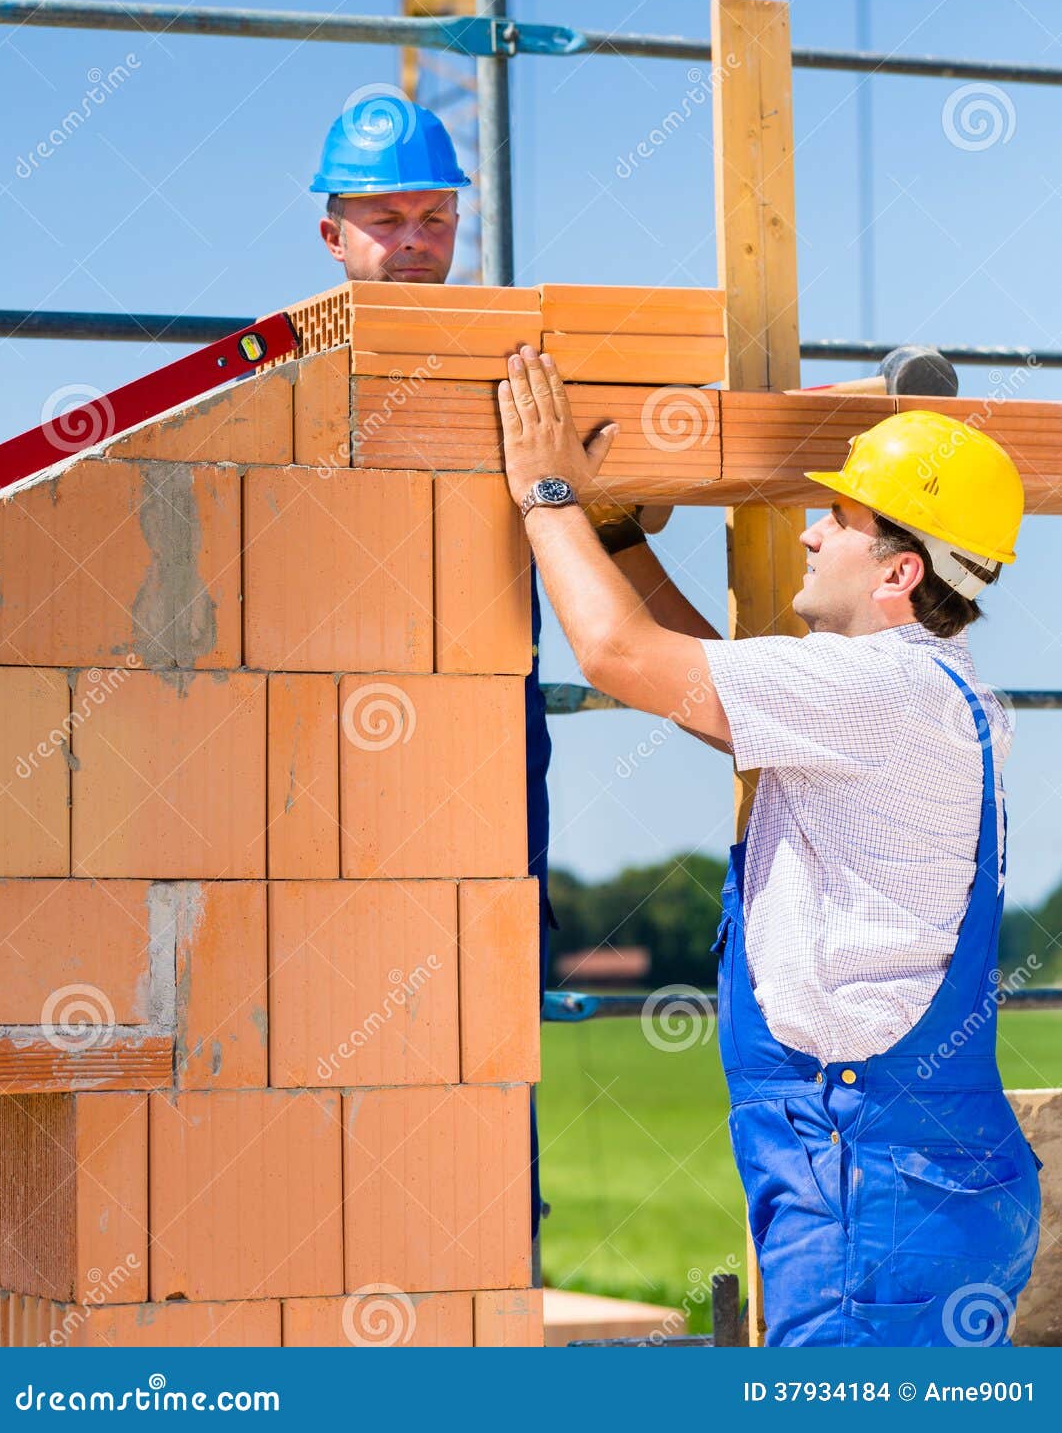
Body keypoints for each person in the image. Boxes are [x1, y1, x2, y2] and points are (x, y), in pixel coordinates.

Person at [496, 340, 1043, 1348]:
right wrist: (614, 539)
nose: (805, 535)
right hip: (906, 1182)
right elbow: (709, 690)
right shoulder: (916, 686)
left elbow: (619, 654)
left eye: (837, 520)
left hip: (870, 1196)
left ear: (900, 568)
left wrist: (547, 491)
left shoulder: (876, 691)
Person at [311, 96, 557, 1246]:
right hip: (319, 729)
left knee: (488, 1007)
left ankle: (496, 1239)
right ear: (333, 232)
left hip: (487, 724)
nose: (414, 242)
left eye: (435, 217)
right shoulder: (281, 374)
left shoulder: (510, 365)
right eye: (387, 218)